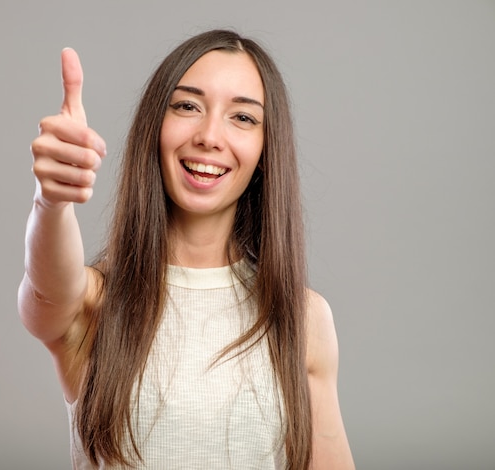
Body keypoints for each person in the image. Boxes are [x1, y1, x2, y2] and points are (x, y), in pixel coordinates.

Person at [18, 29, 355, 469]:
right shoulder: (94, 303)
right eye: (187, 106)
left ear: (265, 150)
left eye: (243, 118)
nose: (210, 136)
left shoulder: (302, 317)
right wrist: (52, 201)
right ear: (155, 126)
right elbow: (47, 288)